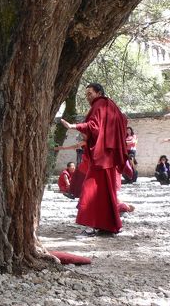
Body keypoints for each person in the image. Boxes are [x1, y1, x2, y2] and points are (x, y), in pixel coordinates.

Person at [61, 83, 129, 235]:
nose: (88, 97)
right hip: (109, 156)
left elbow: (94, 126)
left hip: (101, 157)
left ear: (99, 93)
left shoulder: (99, 104)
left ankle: (90, 225)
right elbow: (123, 122)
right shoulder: (111, 105)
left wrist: (73, 126)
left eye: (90, 93)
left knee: (89, 189)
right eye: (86, 95)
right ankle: (107, 226)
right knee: (105, 192)